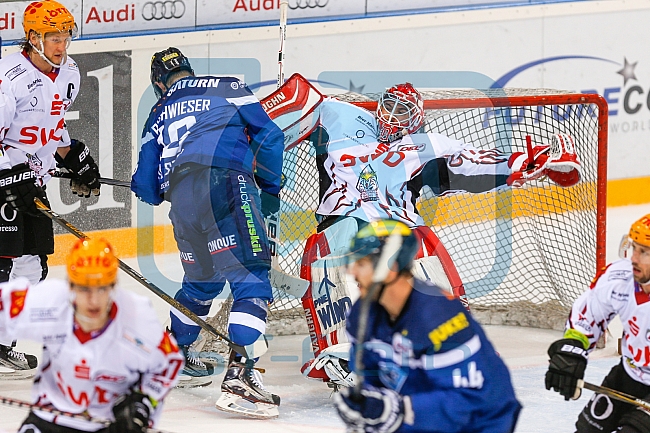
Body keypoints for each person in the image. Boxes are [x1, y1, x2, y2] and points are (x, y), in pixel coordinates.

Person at [264, 77, 582, 388]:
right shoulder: (339, 115)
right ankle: (347, 346)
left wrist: (530, 164)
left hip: (400, 227)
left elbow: (473, 162)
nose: (390, 116)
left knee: (425, 243)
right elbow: (292, 105)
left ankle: (459, 340)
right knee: (351, 241)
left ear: (415, 121)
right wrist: (277, 114)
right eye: (388, 105)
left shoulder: (426, 146)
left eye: (401, 111)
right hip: (341, 225)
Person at [131, 47, 284, 418]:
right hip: (227, 186)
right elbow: (270, 136)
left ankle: (172, 358)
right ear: (189, 70)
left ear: (158, 83)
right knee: (251, 279)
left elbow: (148, 188)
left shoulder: (156, 112)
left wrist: (149, 186)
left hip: (183, 203)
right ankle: (241, 376)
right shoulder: (229, 86)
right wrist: (268, 187)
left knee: (200, 284)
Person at [332, 219, 521, 433]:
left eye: (362, 264)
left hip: (481, 421)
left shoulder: (438, 316)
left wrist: (397, 411)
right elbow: (372, 378)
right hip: (422, 413)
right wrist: (368, 407)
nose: (352, 273)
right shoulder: (362, 315)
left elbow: (467, 402)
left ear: (390, 268)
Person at [0, 0, 101, 377]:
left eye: (65, 36)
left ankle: (1, 343)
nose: (61, 45)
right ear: (32, 38)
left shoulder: (69, 72)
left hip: (31, 178)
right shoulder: (7, 76)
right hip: (5, 178)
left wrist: (72, 156)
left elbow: (51, 125)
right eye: (53, 37)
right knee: (3, 263)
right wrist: (9, 178)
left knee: (32, 265)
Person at [0, 237, 183, 433]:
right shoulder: (48, 302)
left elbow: (169, 362)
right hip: (49, 418)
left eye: (102, 288)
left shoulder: (138, 320)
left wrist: (142, 404)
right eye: (84, 288)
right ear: (70, 285)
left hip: (110, 425)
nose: (93, 300)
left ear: (113, 286)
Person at [545, 213, 650, 433]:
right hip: (628, 374)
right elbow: (589, 315)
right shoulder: (619, 278)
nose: (634, 258)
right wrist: (574, 346)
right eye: (634, 248)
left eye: (644, 252)